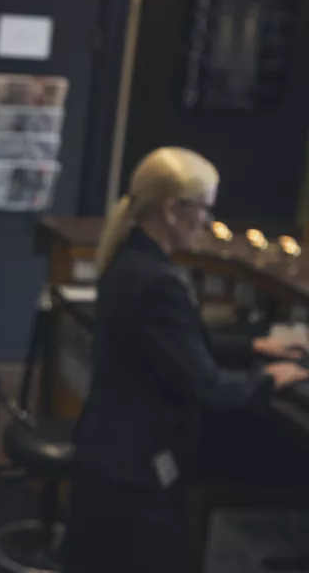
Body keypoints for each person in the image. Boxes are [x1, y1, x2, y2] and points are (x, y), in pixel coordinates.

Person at [61, 147, 309, 573]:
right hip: (137, 470)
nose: (208, 222)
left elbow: (173, 343)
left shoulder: (131, 258)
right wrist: (272, 379)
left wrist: (253, 348)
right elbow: (206, 387)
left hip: (109, 454)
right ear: (172, 210)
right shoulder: (160, 282)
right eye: (204, 210)